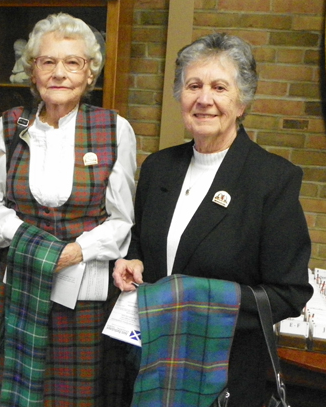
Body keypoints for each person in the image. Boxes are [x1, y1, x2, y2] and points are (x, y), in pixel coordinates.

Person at [112, 32, 313, 407]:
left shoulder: (272, 179)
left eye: (219, 87)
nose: (204, 99)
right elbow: (143, 241)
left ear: (241, 102)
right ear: (180, 96)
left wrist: (193, 299)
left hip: (223, 376)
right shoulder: (158, 168)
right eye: (193, 86)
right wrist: (133, 260)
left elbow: (289, 293)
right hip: (151, 363)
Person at [0, 12, 137, 407]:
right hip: (17, 284)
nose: (59, 73)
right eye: (48, 61)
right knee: (17, 390)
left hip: (84, 294)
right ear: (33, 72)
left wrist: (75, 252)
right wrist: (39, 249)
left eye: (72, 62)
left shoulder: (115, 130)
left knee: (74, 395)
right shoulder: (6, 128)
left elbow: (121, 220)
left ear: (89, 74)